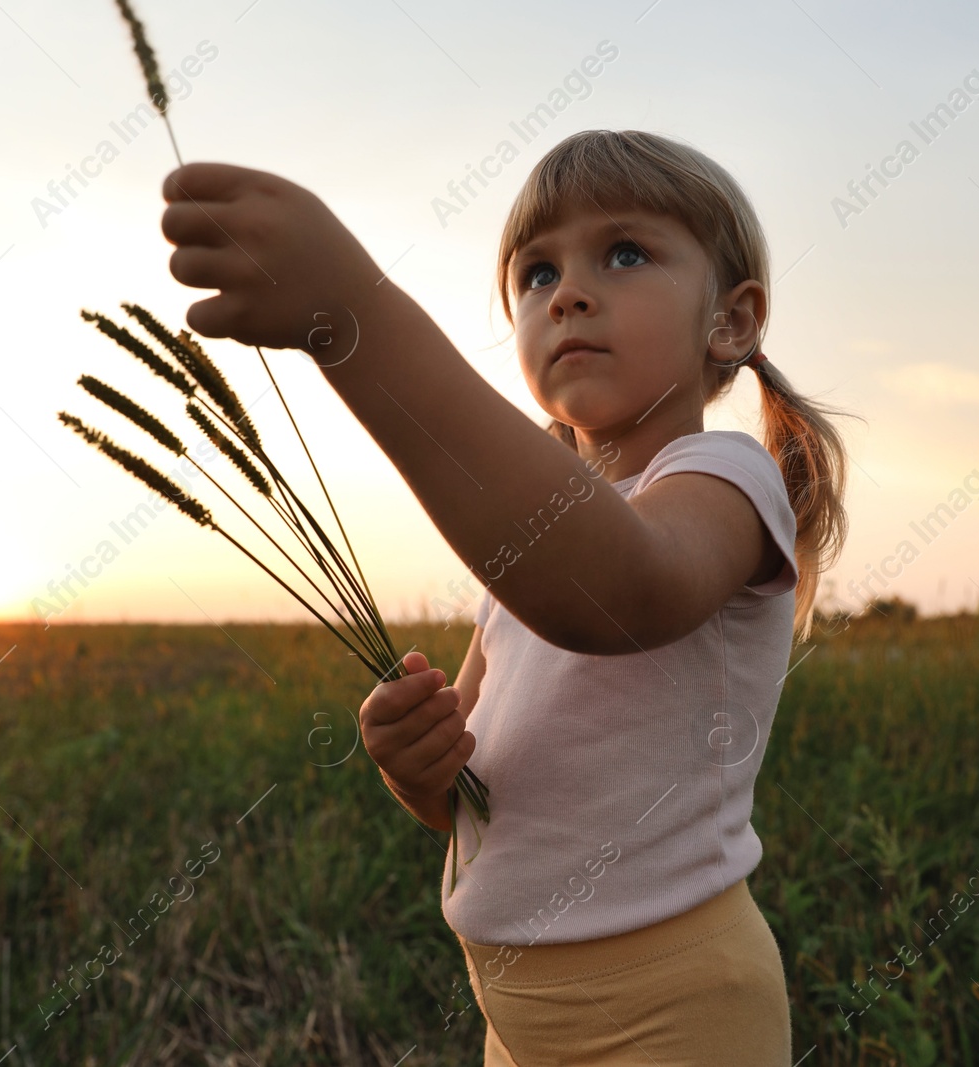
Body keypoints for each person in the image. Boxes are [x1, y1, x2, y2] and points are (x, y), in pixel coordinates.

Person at [160, 128, 852, 1065]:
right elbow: (478, 797)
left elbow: (615, 588)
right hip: (515, 1012)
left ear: (730, 322)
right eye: (534, 274)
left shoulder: (724, 478)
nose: (567, 290)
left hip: (673, 1005)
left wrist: (355, 320)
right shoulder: (520, 563)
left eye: (624, 252)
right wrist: (419, 766)